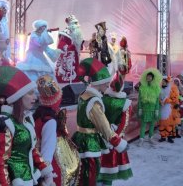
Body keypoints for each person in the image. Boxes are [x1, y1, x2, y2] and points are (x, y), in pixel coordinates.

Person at [0, 66, 55, 186]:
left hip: (26, 178)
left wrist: (47, 173)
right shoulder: (4, 122)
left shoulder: (26, 119)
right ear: (17, 97)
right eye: (30, 93)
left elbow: (32, 150)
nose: (35, 98)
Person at [71, 58, 128, 186]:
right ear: (98, 82)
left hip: (80, 138)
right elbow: (103, 126)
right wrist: (117, 142)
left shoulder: (84, 94)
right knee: (90, 175)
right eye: (106, 83)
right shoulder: (94, 101)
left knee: (82, 175)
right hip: (90, 142)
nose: (108, 85)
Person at [34, 75, 79, 186]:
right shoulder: (50, 122)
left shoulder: (39, 115)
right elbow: (47, 151)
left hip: (40, 163)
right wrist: (48, 176)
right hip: (53, 168)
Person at [98, 72, 133, 185]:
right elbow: (124, 124)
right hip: (114, 140)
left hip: (100, 137)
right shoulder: (125, 103)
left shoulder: (101, 99)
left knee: (98, 165)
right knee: (110, 169)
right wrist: (115, 137)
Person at [55, 14, 85, 84]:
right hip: (67, 54)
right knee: (67, 67)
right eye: (74, 23)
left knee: (75, 68)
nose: (76, 25)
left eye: (76, 23)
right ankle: (66, 79)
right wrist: (68, 47)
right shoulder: (65, 32)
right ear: (70, 24)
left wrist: (79, 45)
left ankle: (74, 79)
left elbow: (79, 45)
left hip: (75, 54)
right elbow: (61, 44)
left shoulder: (78, 34)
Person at [137, 68, 162, 146]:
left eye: (150, 77)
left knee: (152, 124)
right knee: (143, 124)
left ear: (153, 78)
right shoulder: (142, 87)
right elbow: (140, 99)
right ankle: (141, 139)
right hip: (145, 109)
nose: (148, 78)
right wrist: (140, 108)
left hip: (153, 109)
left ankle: (150, 138)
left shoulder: (156, 88)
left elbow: (157, 100)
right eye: (147, 76)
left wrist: (157, 110)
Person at [158, 76, 179, 143]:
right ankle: (163, 137)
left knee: (168, 124)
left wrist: (168, 100)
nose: (163, 83)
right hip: (161, 107)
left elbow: (175, 98)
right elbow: (157, 97)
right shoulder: (159, 89)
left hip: (168, 108)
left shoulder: (171, 90)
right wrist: (159, 101)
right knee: (162, 123)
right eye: (162, 82)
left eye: (164, 82)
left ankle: (169, 137)